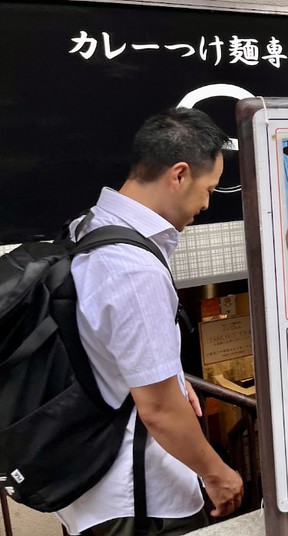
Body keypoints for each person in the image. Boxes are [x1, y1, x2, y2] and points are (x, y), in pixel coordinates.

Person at [55, 107, 244, 536]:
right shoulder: (133, 268)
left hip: (90, 482)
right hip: (138, 498)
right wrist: (218, 474)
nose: (206, 203)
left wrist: (173, 376)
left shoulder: (91, 225)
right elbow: (158, 410)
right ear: (178, 175)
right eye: (207, 188)